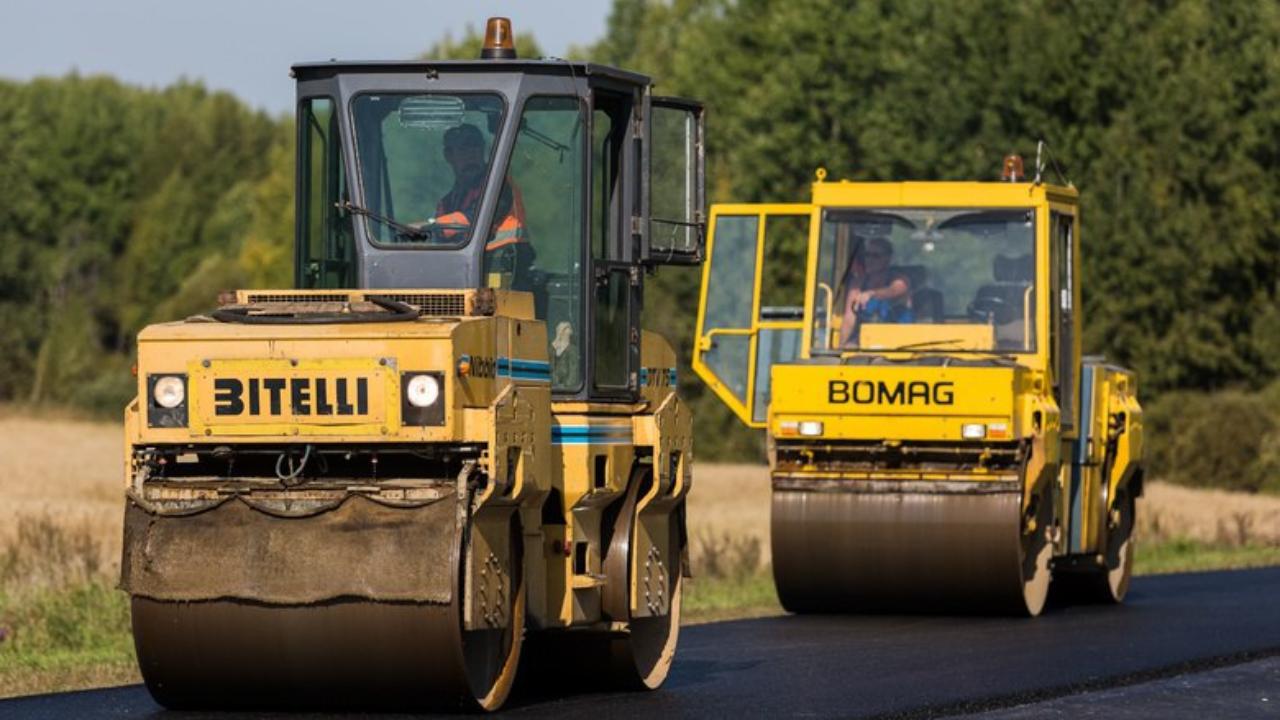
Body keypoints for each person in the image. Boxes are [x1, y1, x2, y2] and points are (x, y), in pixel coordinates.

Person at [430, 123, 528, 255]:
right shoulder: (447, 203)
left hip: (507, 265)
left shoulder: (499, 186)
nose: (471, 156)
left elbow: (477, 216)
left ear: (483, 150)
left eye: (475, 148)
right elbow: (437, 240)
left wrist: (428, 228)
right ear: (448, 156)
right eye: (463, 150)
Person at [838, 235, 913, 347]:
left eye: (876, 256)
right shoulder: (858, 283)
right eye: (867, 255)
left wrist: (872, 294)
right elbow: (849, 318)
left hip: (902, 341)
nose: (870, 260)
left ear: (888, 258)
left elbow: (893, 290)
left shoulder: (900, 280)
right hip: (868, 340)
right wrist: (841, 347)